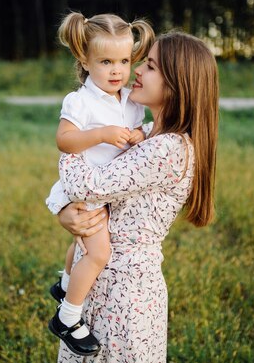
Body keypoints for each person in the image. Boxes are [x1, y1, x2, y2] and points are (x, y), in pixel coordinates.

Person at [49, 31, 219, 362]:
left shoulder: (168, 148)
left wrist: (73, 141)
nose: (136, 71)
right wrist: (68, 214)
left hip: (125, 294)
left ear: (176, 83)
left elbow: (89, 187)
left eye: (150, 65)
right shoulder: (151, 132)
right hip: (100, 281)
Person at [45, 11, 155, 356]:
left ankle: (65, 285)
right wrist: (101, 134)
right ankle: (69, 316)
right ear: (84, 59)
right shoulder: (80, 101)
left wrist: (138, 134)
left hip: (107, 190)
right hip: (85, 189)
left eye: (124, 60)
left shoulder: (129, 99)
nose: (117, 71)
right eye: (106, 61)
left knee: (82, 246)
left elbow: (138, 133)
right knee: (99, 252)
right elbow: (64, 140)